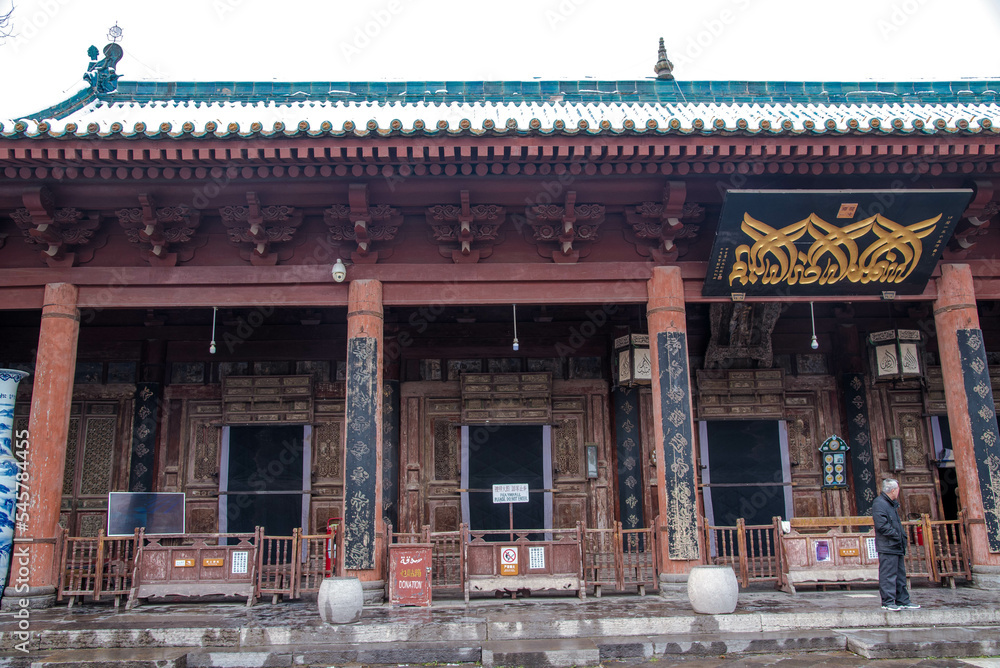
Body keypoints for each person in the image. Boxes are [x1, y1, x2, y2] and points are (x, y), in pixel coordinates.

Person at [872, 478, 919, 611]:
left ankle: (903, 600)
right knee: (888, 574)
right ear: (893, 490)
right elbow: (882, 525)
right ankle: (888, 601)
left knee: (899, 574)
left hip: (896, 544)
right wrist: (896, 535)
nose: (898, 492)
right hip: (888, 545)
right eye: (897, 489)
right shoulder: (879, 503)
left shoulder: (891, 504)